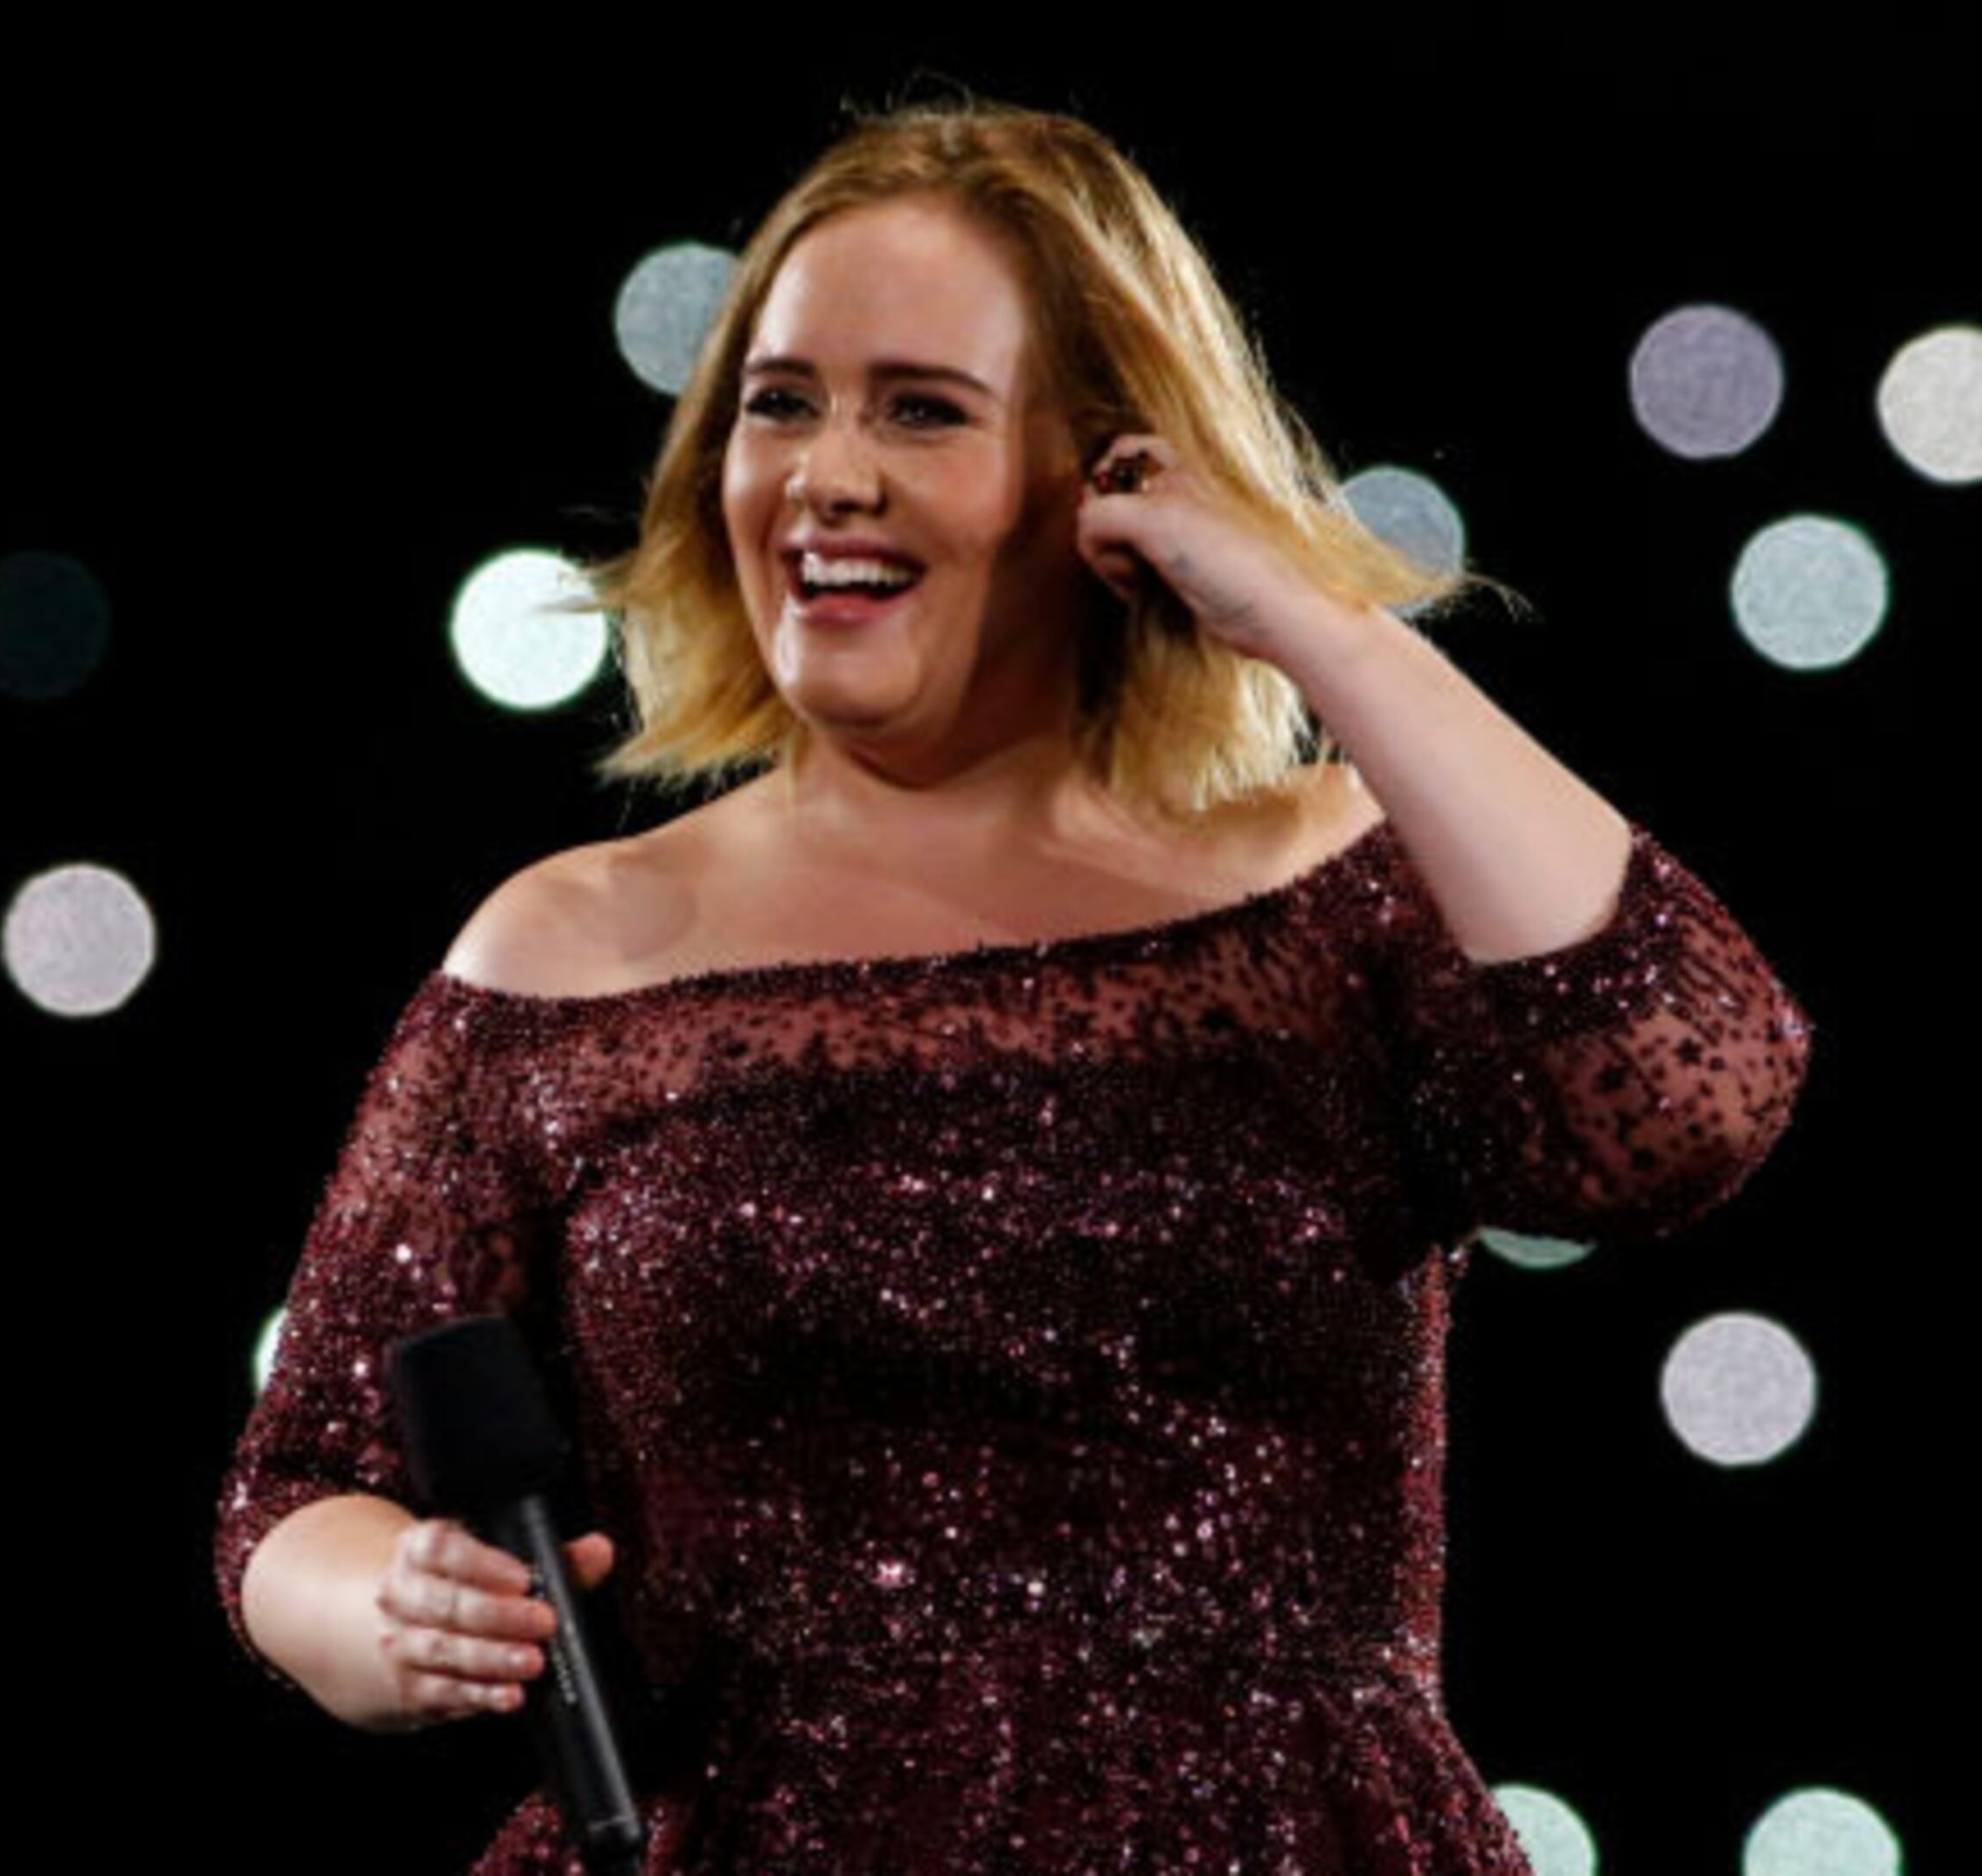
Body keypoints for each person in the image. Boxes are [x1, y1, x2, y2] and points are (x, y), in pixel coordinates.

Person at [216, 99, 1814, 1873]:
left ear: (1107, 470)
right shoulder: (566, 951)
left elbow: (1685, 1097)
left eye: (920, 408)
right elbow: (298, 1492)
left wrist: (1314, 619)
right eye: (778, 401)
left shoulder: (1327, 892)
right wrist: (390, 1611)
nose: (824, 470)